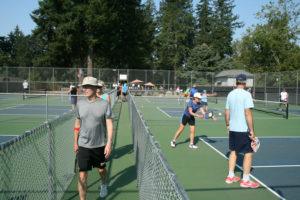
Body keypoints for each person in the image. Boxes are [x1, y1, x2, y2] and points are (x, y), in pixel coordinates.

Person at [74, 76, 113, 199]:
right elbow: (77, 124)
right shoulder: (80, 104)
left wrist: (109, 142)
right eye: (84, 86)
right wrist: (75, 142)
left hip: (99, 145)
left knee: (101, 170)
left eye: (87, 87)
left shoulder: (104, 104)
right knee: (82, 176)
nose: (84, 89)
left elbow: (109, 124)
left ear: (95, 88)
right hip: (83, 145)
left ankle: (103, 184)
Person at [225, 74, 259, 188]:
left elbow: (227, 112)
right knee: (248, 153)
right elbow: (247, 113)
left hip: (233, 129)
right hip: (243, 129)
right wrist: (252, 130)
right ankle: (245, 180)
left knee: (233, 151)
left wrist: (228, 125)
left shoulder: (230, 94)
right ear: (245, 83)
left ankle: (230, 176)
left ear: (236, 82)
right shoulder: (246, 94)